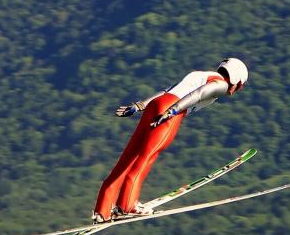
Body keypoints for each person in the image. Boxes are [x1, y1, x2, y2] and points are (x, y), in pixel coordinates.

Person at [91, 57, 248, 223]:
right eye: (239, 86)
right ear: (236, 80)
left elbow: (166, 91)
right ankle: (127, 206)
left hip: (155, 105)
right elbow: (199, 94)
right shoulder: (221, 84)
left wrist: (139, 105)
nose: (235, 90)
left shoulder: (201, 75)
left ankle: (102, 210)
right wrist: (173, 111)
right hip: (170, 110)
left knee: (129, 156)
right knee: (146, 157)